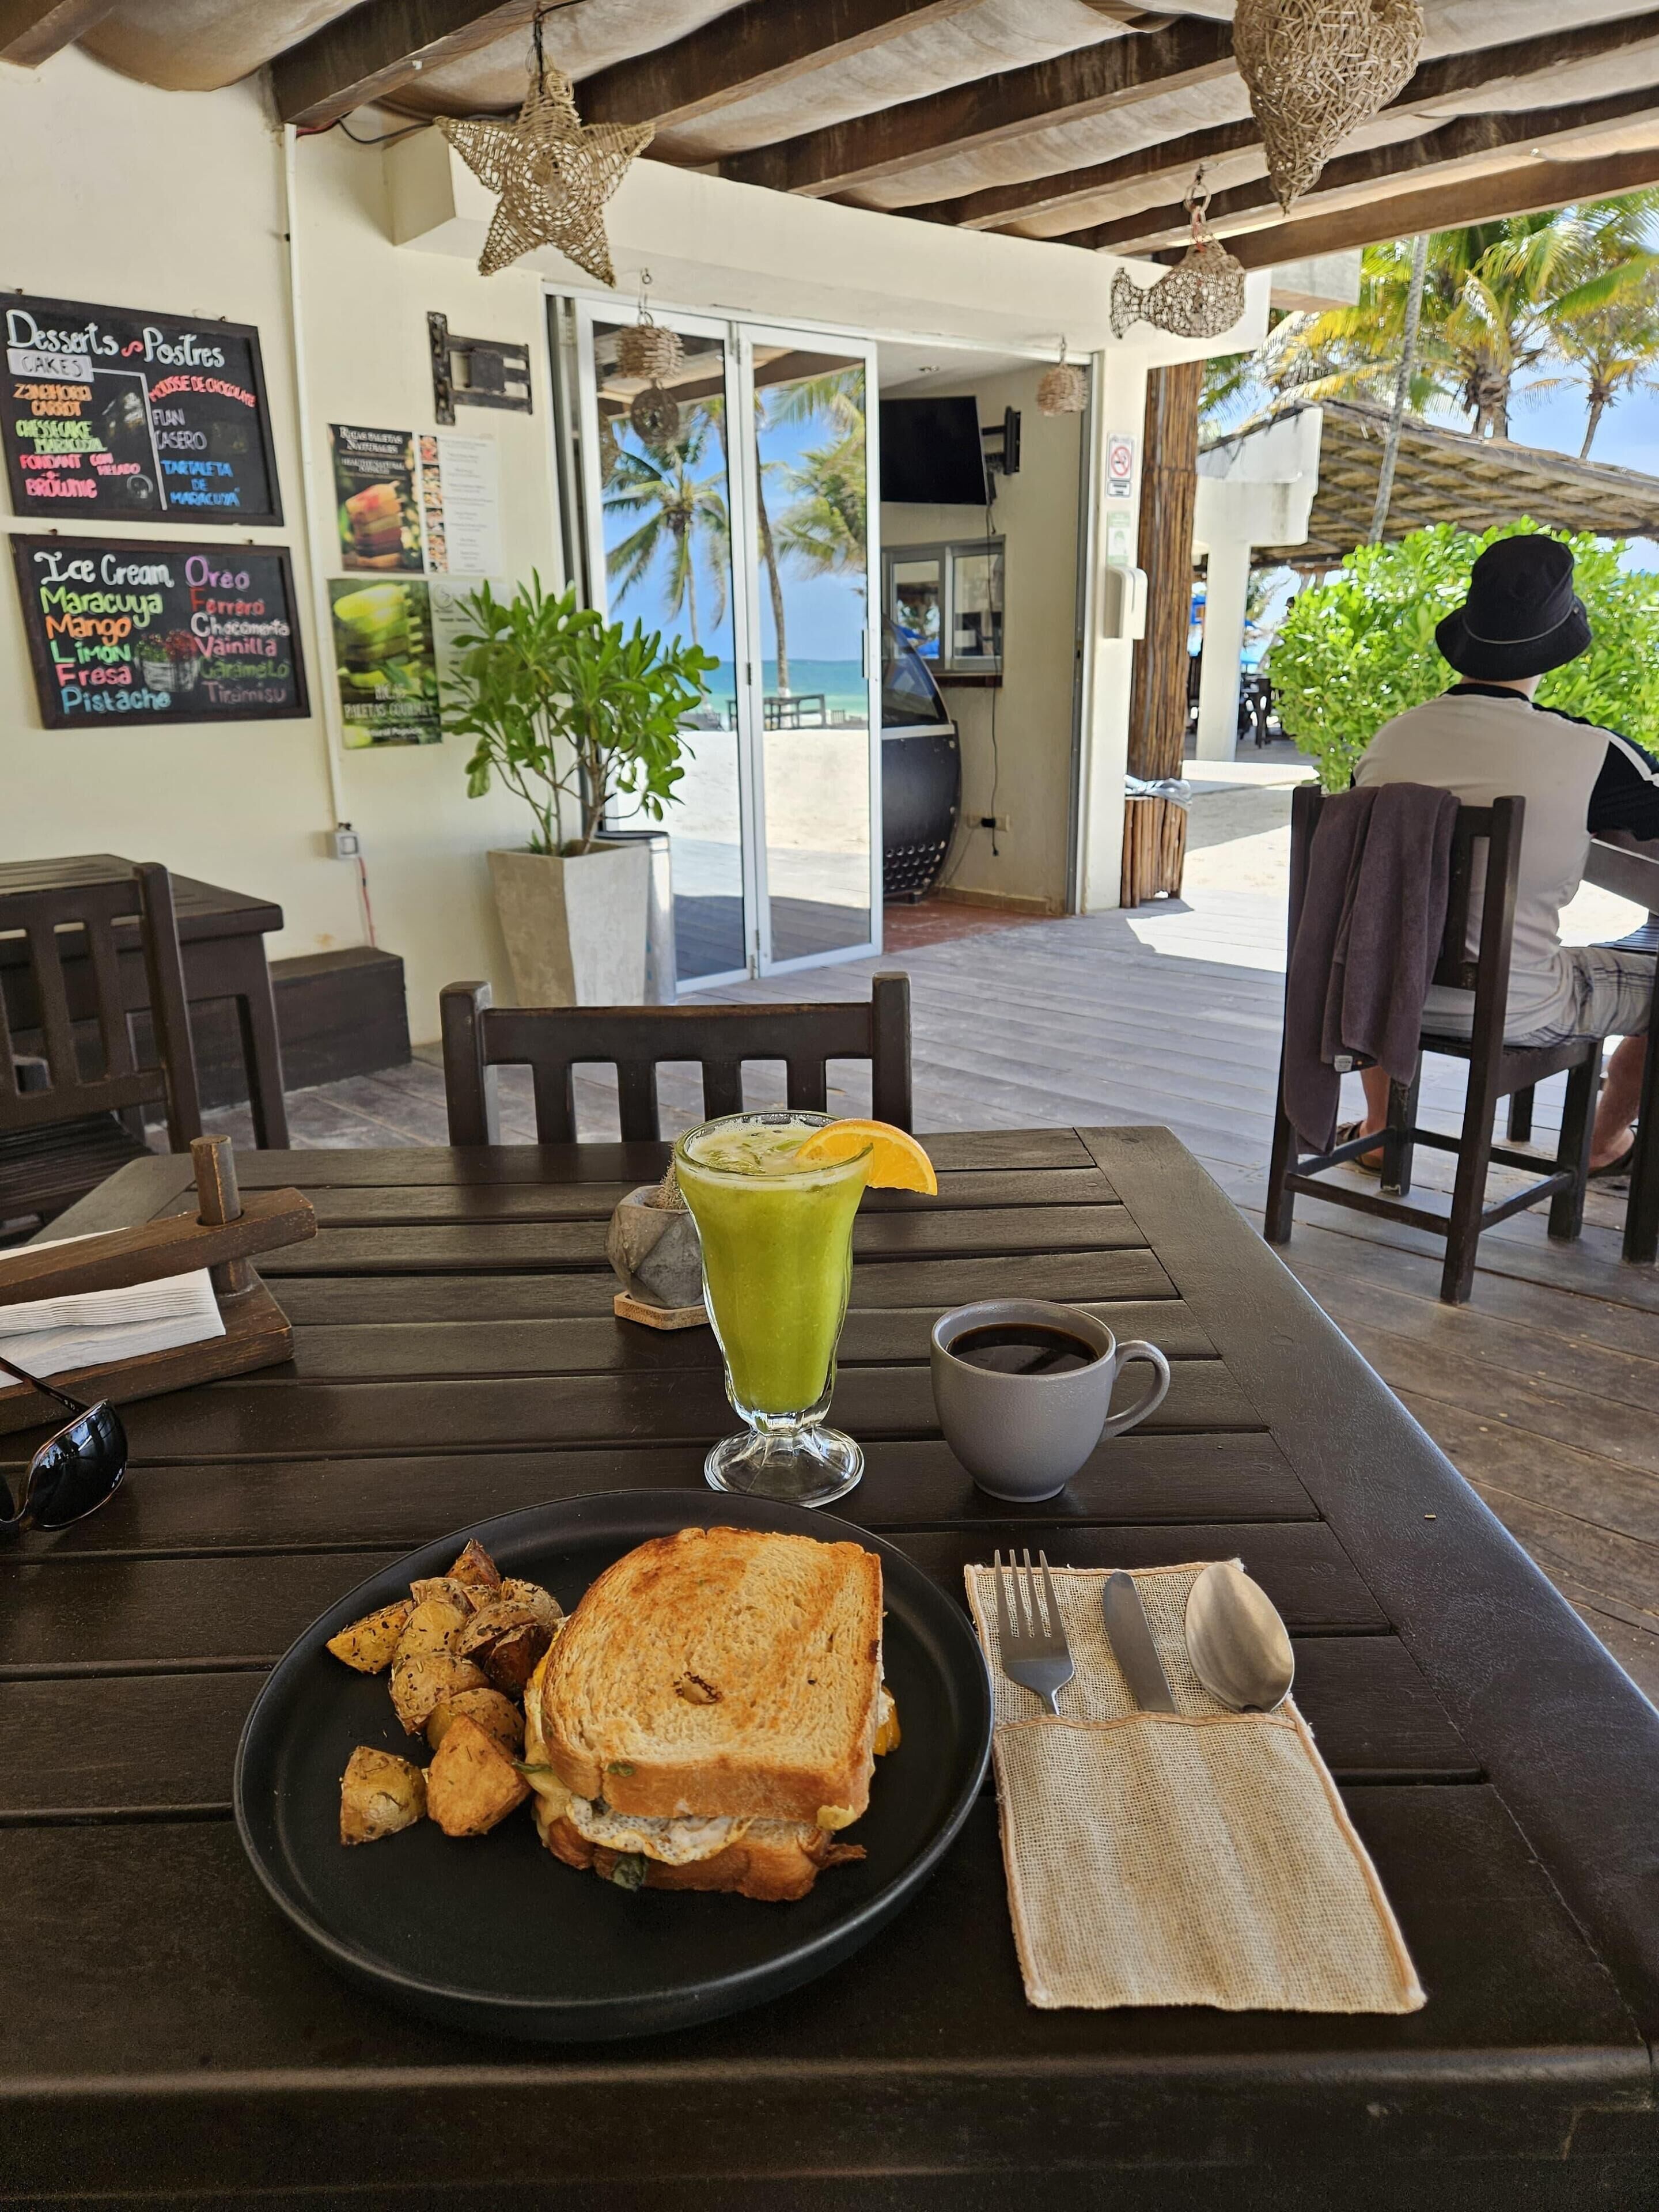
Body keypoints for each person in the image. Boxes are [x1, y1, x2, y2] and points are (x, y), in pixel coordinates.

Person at [1343, 535, 1659, 1177]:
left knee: (1395, 938)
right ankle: (1599, 1143)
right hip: (1520, 1006)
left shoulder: (1389, 740)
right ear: (1560, 643)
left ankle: (1378, 1128)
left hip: (1373, 993)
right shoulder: (1591, 752)